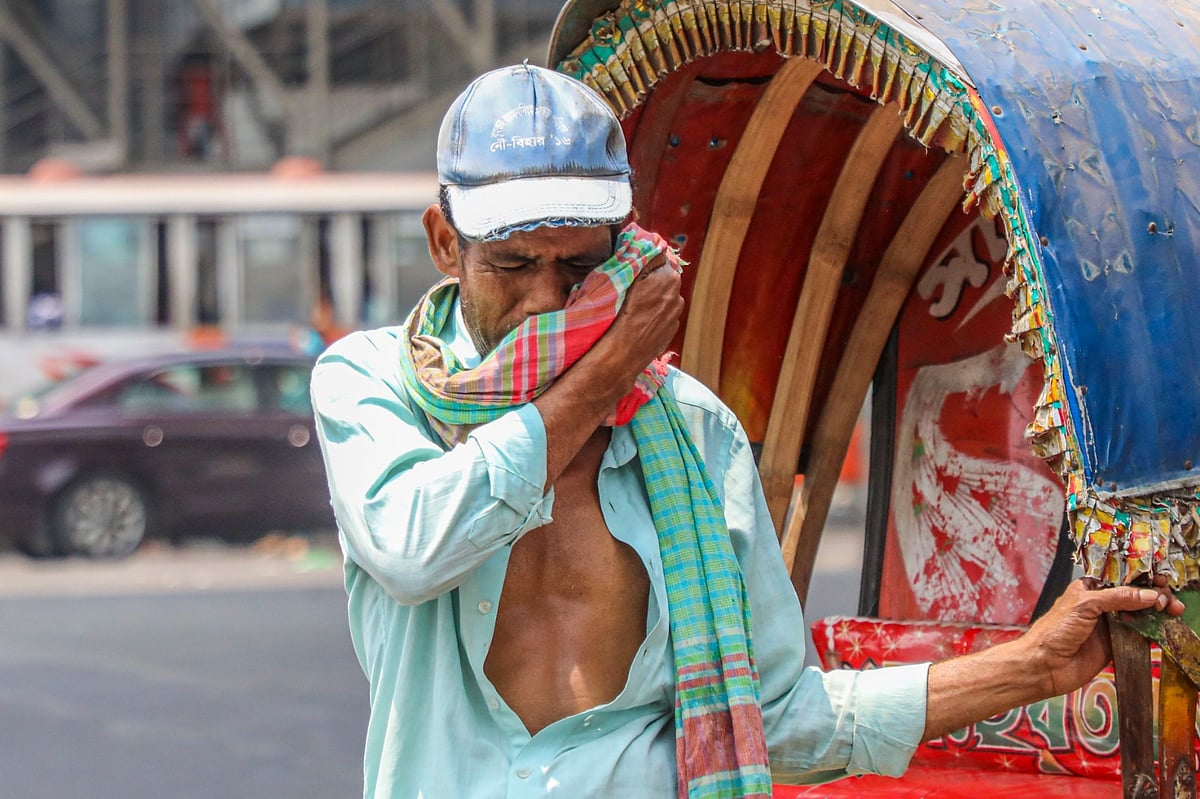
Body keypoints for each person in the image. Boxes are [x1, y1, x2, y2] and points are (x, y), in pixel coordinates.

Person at [310, 63, 1182, 798]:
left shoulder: (691, 431)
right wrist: (600, 377)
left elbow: (773, 720)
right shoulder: (373, 385)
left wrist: (1028, 668)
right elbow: (411, 545)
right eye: (512, 266)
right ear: (442, 242)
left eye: (578, 269)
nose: (546, 300)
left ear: (623, 251)